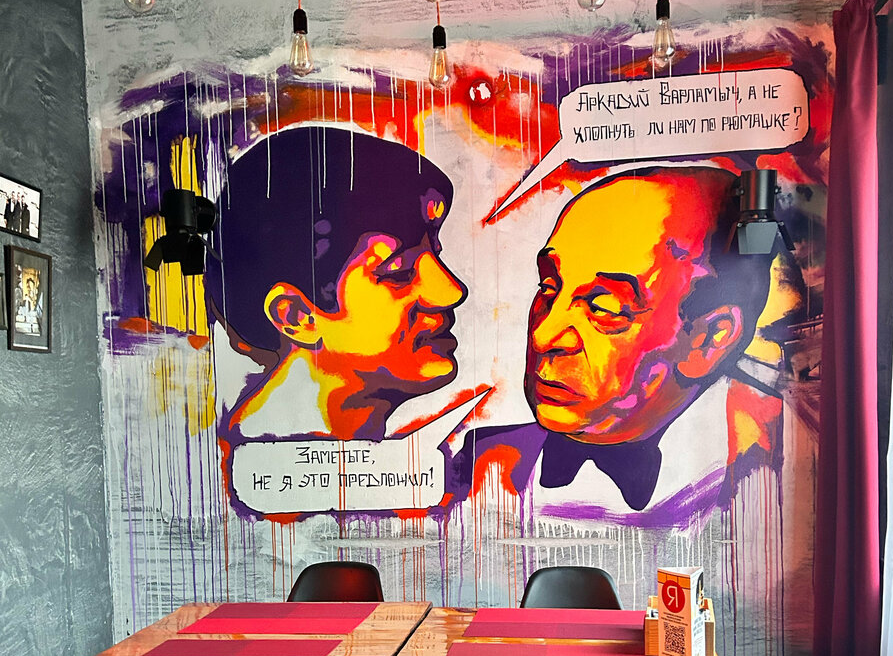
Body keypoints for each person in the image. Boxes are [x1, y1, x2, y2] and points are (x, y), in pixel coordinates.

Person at [455, 165, 777, 517]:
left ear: (709, 341)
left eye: (604, 308)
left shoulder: (777, 471)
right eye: (548, 288)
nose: (543, 335)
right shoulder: (478, 461)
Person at [206, 125, 467, 443]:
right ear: (297, 316)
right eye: (399, 272)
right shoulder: (241, 460)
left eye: (435, 255)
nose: (451, 291)